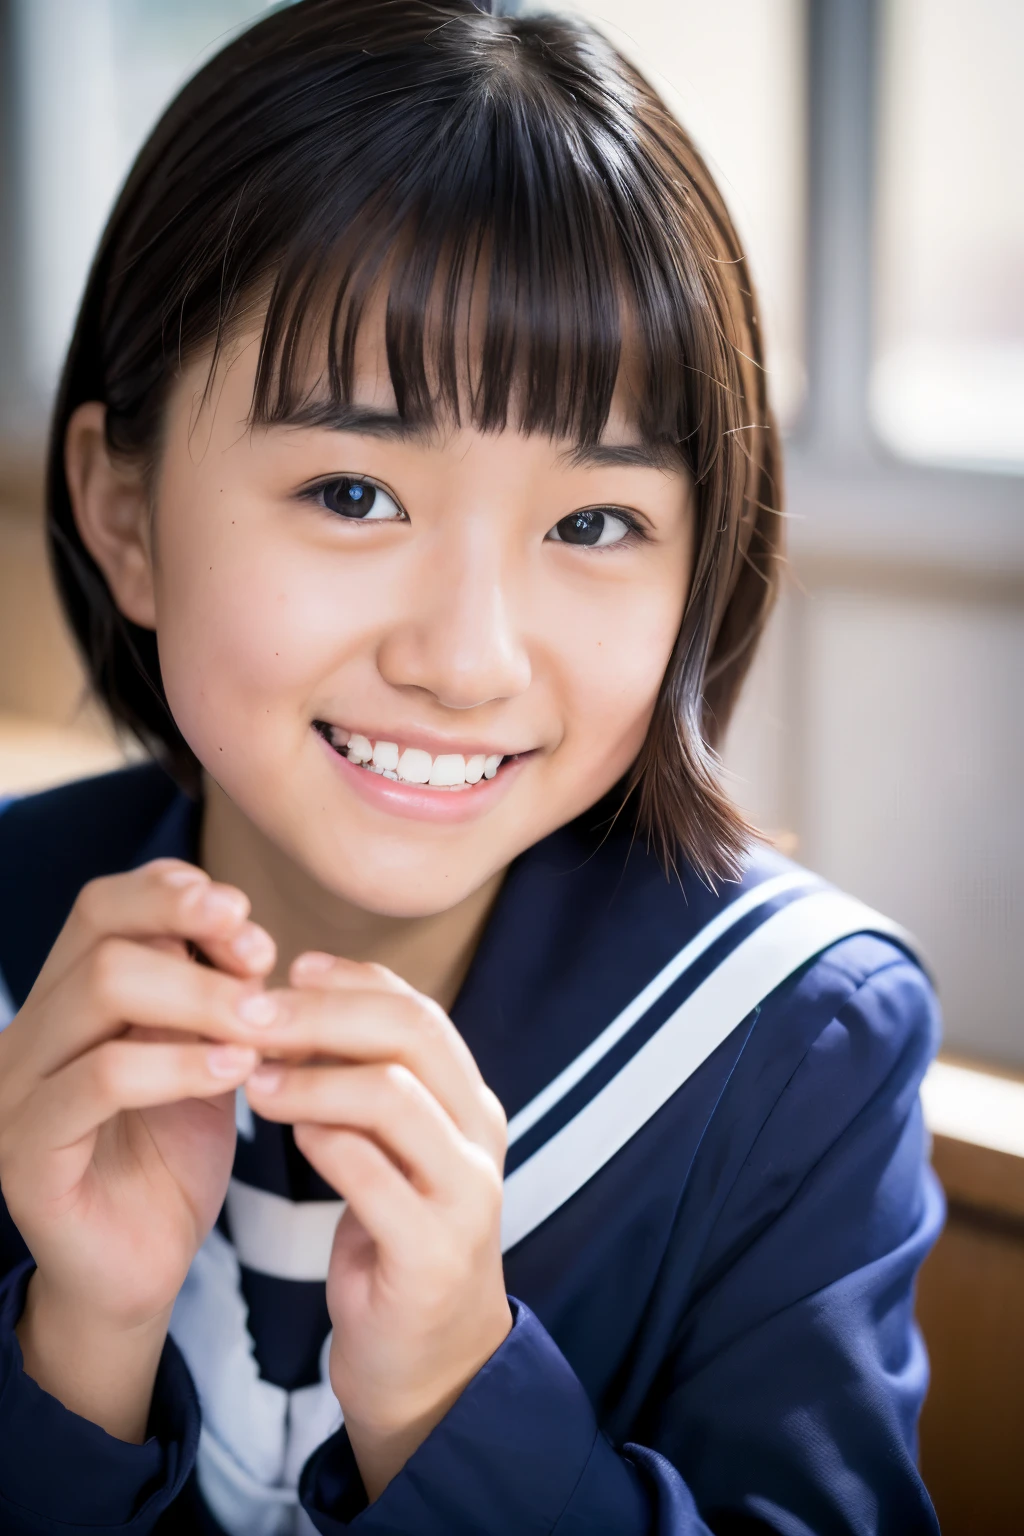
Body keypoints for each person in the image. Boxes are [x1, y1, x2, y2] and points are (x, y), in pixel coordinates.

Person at [0, 2, 943, 1532]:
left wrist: (452, 1389)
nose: (469, 657)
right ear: (124, 513)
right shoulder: (13, 938)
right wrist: (78, 1345)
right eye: (355, 490)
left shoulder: (794, 1045)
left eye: (593, 525)